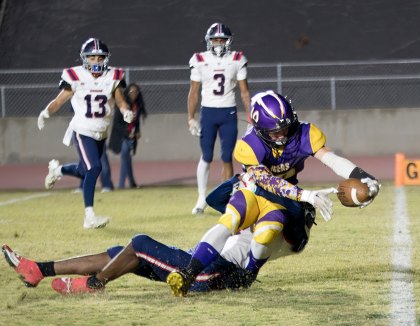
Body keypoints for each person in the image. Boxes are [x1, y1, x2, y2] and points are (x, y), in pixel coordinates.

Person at [166, 90, 380, 297]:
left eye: (285, 127)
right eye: (275, 132)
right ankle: (188, 273)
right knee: (229, 220)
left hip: (281, 199)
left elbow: (331, 159)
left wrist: (364, 177)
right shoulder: (249, 144)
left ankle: (248, 275)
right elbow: (266, 181)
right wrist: (307, 196)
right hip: (253, 190)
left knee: (267, 233)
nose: (282, 135)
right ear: (259, 130)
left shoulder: (303, 133)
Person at [1, 176, 315, 295]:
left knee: (138, 243)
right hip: (202, 262)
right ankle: (39, 269)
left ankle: (94, 285)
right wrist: (244, 178)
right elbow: (215, 199)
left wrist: (272, 186)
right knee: (120, 252)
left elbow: (292, 213)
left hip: (213, 272)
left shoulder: (288, 229)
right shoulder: (259, 211)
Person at [37, 38, 134, 229]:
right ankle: (89, 216)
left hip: (101, 131)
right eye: (92, 58)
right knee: (94, 168)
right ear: (84, 59)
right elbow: (59, 101)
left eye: (100, 58)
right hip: (82, 130)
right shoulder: (76, 76)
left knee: (84, 170)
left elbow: (120, 100)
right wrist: (45, 112)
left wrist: (126, 111)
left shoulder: (112, 76)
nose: (96, 62)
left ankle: (58, 171)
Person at [188, 22, 251, 215]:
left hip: (228, 112)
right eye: (215, 39)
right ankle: (201, 198)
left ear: (228, 41)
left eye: (222, 39)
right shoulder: (199, 59)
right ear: (209, 41)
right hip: (208, 112)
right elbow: (194, 92)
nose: (218, 43)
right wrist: (190, 118)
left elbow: (245, 92)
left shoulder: (237, 58)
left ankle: (227, 199)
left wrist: (251, 116)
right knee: (206, 156)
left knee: (226, 157)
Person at [108, 83, 147, 189]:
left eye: (136, 92)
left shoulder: (137, 106)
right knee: (125, 156)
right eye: (131, 92)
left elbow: (136, 121)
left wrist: (137, 131)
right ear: (127, 92)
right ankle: (123, 184)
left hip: (132, 136)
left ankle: (131, 183)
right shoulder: (123, 105)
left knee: (127, 158)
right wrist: (127, 133)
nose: (134, 94)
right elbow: (116, 124)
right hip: (122, 136)